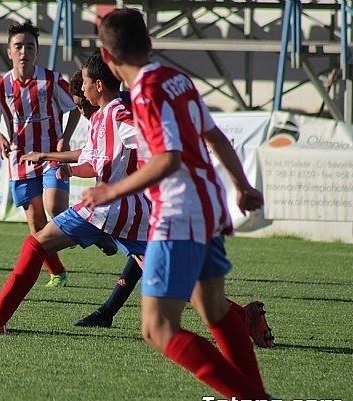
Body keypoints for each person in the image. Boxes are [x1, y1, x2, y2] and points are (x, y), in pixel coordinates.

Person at [82, 8, 272, 399]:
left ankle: (255, 398)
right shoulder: (176, 80)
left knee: (157, 328)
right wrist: (242, 185)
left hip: (178, 213)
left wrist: (110, 191)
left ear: (106, 57)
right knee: (215, 310)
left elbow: (168, 159)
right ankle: (252, 392)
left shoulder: (146, 93)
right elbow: (214, 136)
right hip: (208, 206)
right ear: (149, 44)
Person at [28, 67, 276, 345]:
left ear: (96, 87)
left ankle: (241, 327)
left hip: (147, 208)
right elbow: (97, 154)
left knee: (168, 313)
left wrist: (118, 187)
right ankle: (242, 325)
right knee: (172, 290)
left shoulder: (123, 109)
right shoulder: (120, 108)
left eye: (81, 100)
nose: (82, 108)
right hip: (145, 208)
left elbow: (162, 151)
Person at [0, 52, 150, 334]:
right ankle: (232, 315)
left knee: (35, 245)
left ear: (100, 86)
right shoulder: (101, 117)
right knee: (164, 272)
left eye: (86, 83)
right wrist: (67, 169)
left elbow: (151, 140)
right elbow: (94, 162)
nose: (81, 88)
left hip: (108, 208)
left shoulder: (118, 113)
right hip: (133, 214)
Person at [0, 20, 81, 288]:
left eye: (30, 46)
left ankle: (85, 231)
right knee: (36, 222)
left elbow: (75, 107)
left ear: (37, 51)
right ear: (9, 52)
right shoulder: (1, 86)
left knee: (55, 208)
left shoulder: (51, 80)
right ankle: (57, 272)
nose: (24, 51)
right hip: (20, 161)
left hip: (50, 155)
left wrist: (65, 137)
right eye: (19, 46)